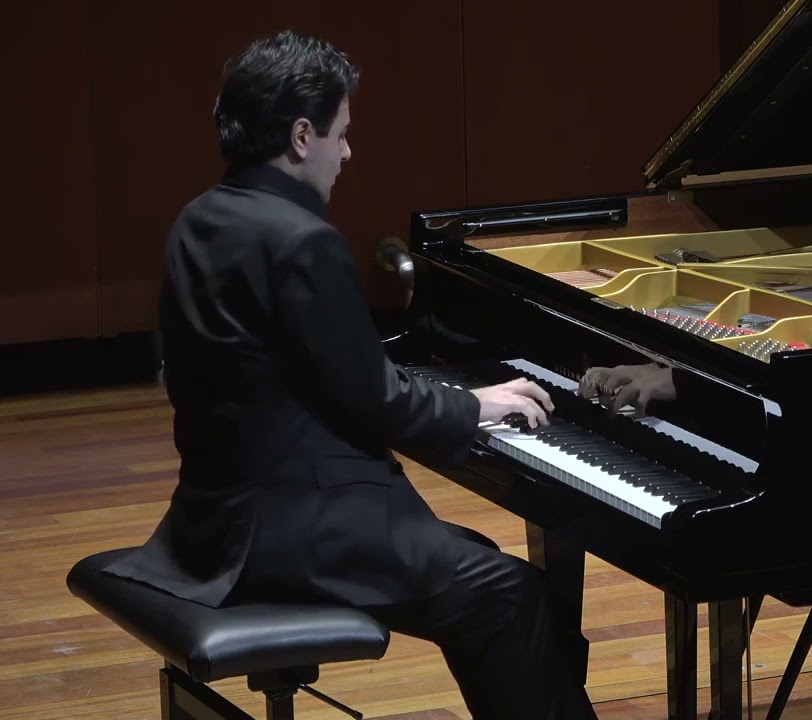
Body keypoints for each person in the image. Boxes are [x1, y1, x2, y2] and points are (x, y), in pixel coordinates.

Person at [101, 29, 597, 720]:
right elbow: (377, 401)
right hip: (295, 524)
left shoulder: (200, 219)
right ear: (302, 137)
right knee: (507, 594)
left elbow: (312, 372)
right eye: (341, 134)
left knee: (483, 568)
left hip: (213, 519)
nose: (348, 152)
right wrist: (474, 404)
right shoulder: (303, 240)